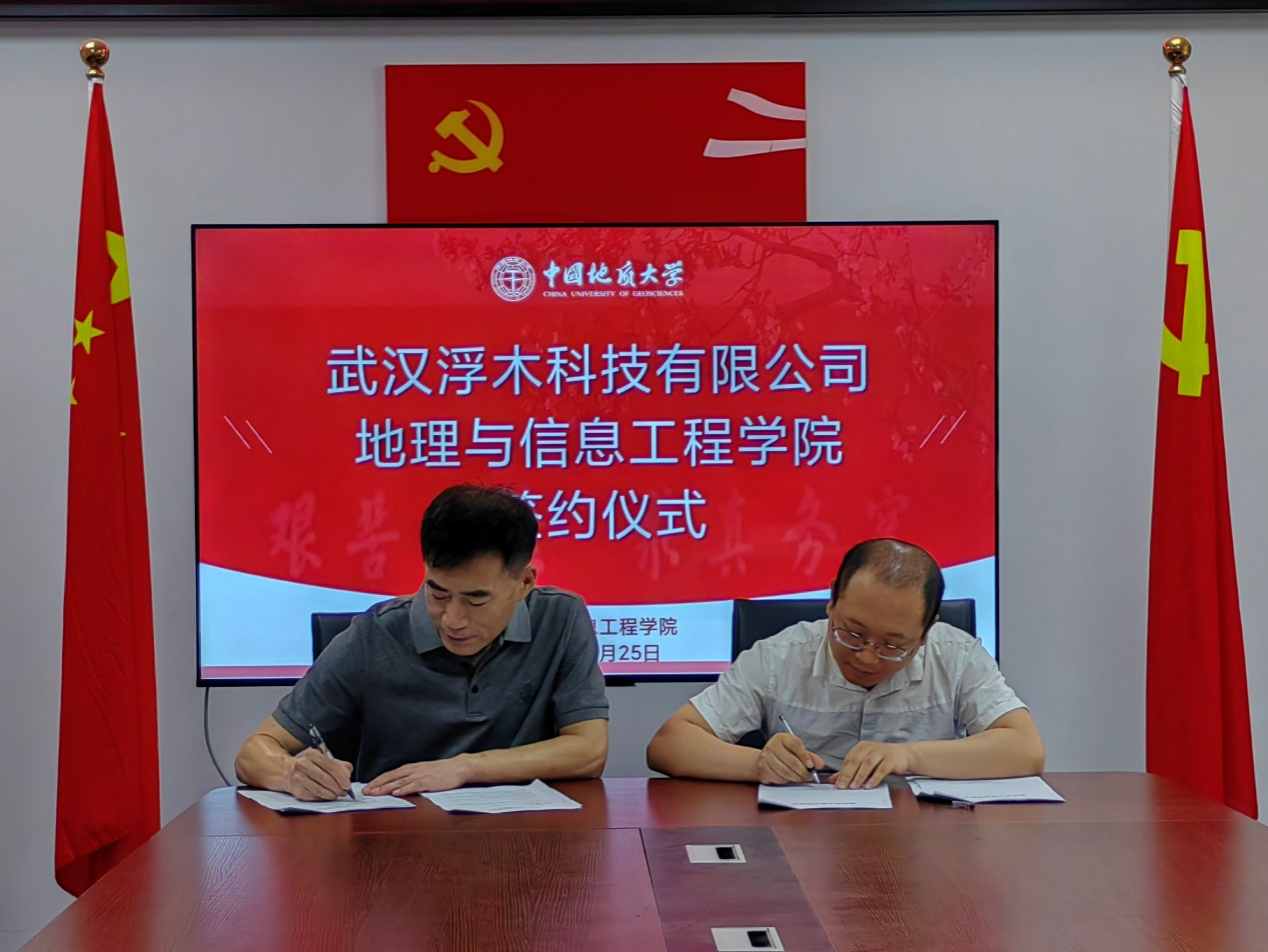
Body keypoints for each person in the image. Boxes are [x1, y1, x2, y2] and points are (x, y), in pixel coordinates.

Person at [235, 484, 609, 801]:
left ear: (524, 583)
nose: (453, 620)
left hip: (527, 842)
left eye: (476, 600)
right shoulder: (373, 635)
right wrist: (291, 773)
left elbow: (589, 751)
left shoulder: (560, 618)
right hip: (395, 840)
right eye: (438, 593)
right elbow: (253, 753)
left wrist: (464, 767)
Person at [646, 538, 1043, 789]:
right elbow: (669, 744)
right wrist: (760, 764)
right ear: (832, 602)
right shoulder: (778, 656)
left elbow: (1025, 749)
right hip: (801, 842)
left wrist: (908, 756)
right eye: (852, 633)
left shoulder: (956, 656)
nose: (867, 656)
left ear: (926, 632)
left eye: (893, 645)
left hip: (925, 843)